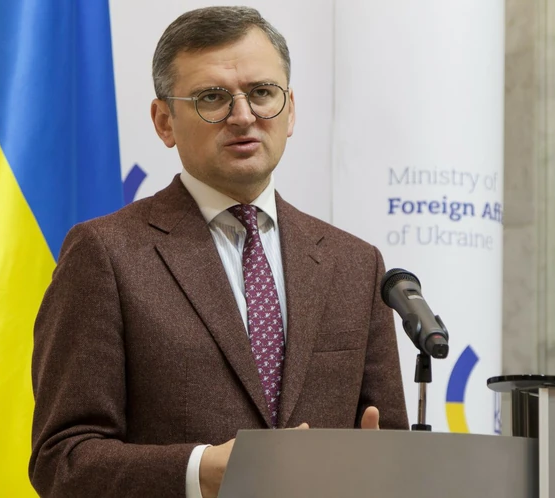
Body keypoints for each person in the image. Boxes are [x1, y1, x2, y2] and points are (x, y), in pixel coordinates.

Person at [28, 6, 408, 498]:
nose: (243, 116)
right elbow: (62, 460)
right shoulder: (106, 253)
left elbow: (389, 448)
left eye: (262, 93)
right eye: (212, 98)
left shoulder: (355, 264)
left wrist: (383, 471)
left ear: (290, 109)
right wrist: (199, 471)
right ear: (164, 121)